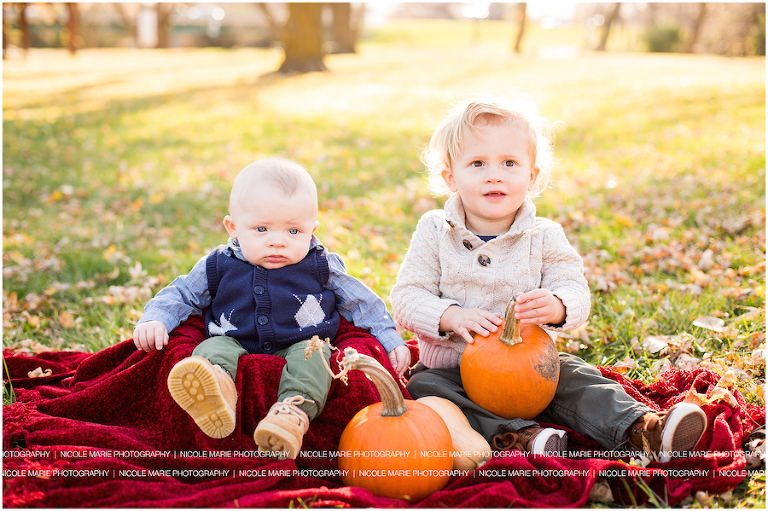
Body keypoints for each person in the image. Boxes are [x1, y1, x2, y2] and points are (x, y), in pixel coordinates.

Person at [390, 93, 706, 461]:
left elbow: (574, 288)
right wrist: (450, 316)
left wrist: (557, 306)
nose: (494, 174)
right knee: (424, 388)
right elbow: (407, 297)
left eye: (509, 162)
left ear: (532, 176)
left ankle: (643, 429)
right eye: (477, 163)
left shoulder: (544, 235)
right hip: (452, 369)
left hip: (532, 367)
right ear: (451, 178)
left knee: (578, 378)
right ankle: (522, 437)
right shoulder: (434, 230)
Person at [134, 157, 411, 460]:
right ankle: (216, 388)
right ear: (233, 228)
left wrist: (389, 339)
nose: (277, 242)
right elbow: (183, 292)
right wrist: (156, 317)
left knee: (314, 358)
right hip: (234, 338)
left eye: (293, 231)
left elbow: (364, 303)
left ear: (312, 230)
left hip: (303, 340)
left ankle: (291, 414)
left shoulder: (321, 264)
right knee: (212, 349)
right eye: (262, 228)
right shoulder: (218, 264)